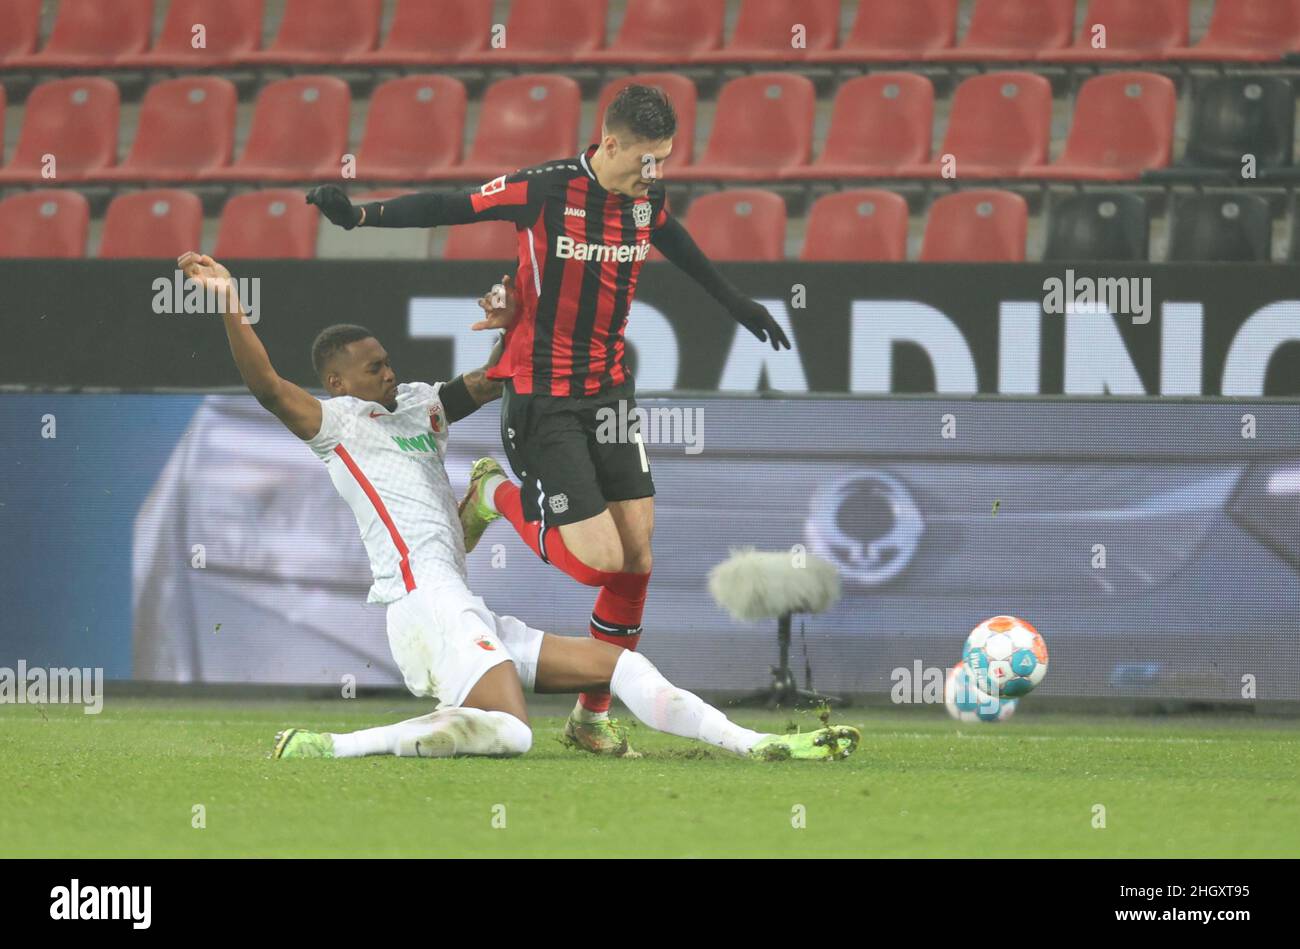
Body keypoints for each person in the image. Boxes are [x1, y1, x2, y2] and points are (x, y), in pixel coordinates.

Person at [182, 251, 857, 763]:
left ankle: (756, 743)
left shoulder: (422, 403)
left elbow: (500, 372)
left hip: (457, 600)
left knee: (615, 664)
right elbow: (268, 386)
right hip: (422, 605)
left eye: (388, 362)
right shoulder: (336, 424)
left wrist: (523, 314)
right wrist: (231, 303)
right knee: (513, 730)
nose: (389, 371)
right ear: (338, 381)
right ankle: (334, 744)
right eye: (375, 366)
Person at [306, 84, 793, 755]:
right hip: (544, 398)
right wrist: (360, 217)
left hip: (611, 393)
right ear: (609, 143)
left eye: (665, 162)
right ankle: (492, 494)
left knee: (638, 558)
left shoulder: (645, 198)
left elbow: (670, 236)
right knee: (599, 563)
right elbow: (453, 205)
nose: (654, 176)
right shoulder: (546, 189)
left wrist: (735, 301)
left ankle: (589, 719)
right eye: (645, 161)